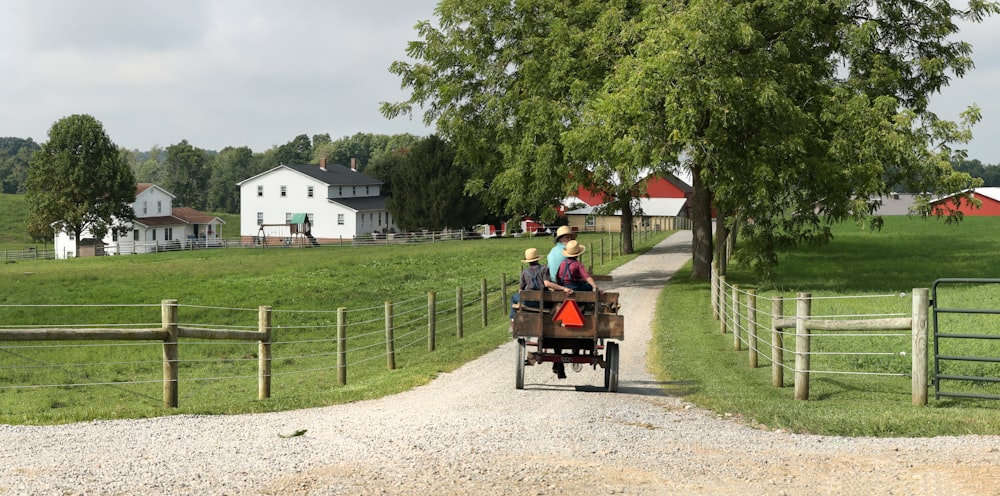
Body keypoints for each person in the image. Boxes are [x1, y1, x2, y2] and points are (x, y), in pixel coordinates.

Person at [509, 247, 573, 323]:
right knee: (555, 298)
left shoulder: (524, 272)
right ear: (537, 259)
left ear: (527, 261)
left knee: (513, 297)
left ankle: (512, 319)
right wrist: (563, 288)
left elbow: (520, 290)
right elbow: (547, 283)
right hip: (543, 302)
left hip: (528, 302)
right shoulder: (544, 269)